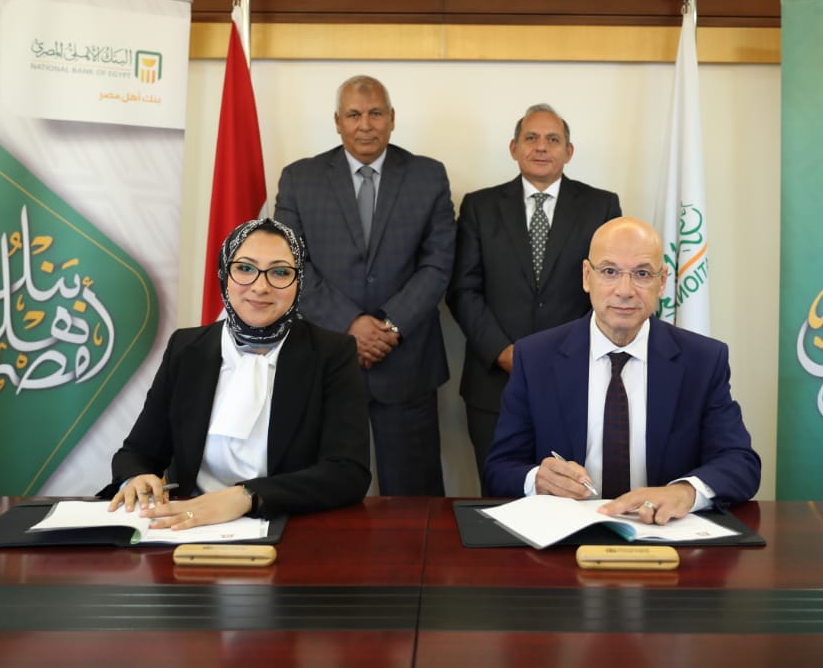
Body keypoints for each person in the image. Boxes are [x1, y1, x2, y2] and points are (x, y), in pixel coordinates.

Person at [483, 216, 760, 525]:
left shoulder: (703, 360)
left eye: (642, 274)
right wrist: (537, 479)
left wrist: (685, 492)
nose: (625, 290)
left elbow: (740, 463)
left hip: (664, 534)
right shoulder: (535, 357)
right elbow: (499, 469)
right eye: (609, 271)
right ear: (587, 277)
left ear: (662, 281)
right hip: (566, 536)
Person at [103, 218, 370, 529]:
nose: (260, 286)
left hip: (287, 525)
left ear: (299, 282)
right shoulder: (186, 348)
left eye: (280, 272)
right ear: (224, 274)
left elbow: (348, 472)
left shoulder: (331, 353)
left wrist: (248, 497)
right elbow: (138, 452)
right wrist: (136, 477)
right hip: (189, 526)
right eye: (244, 268)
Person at [274, 75, 455, 496]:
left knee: (414, 502)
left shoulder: (428, 176)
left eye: (375, 113)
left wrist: (389, 326)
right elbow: (290, 265)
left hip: (407, 361)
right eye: (354, 115)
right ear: (337, 121)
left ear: (392, 118)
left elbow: (439, 263)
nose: (365, 125)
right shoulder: (300, 179)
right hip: (326, 359)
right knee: (321, 497)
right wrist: (350, 325)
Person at [448, 104, 621, 479]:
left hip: (577, 375)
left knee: (572, 491)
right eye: (531, 138)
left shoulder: (601, 206)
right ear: (514, 148)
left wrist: (566, 351)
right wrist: (503, 352)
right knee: (500, 493)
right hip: (494, 383)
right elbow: (463, 289)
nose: (541, 147)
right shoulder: (479, 206)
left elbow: (610, 289)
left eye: (553, 139)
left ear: (568, 152)